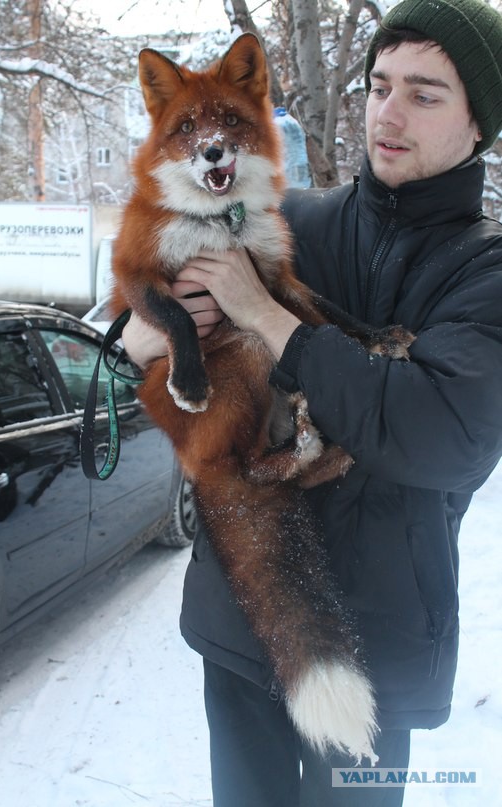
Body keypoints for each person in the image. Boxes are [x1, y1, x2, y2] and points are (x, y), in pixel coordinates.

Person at [122, 1, 502, 804]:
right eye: (378, 85)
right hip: (242, 618)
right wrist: (143, 336)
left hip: (379, 642)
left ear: (479, 125)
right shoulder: (286, 220)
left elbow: (441, 436)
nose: (387, 114)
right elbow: (151, 305)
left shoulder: (485, 274)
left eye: (424, 94)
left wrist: (266, 316)